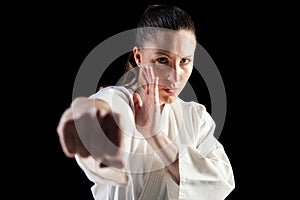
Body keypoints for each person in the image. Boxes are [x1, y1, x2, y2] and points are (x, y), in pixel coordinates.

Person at [57, 4, 235, 200]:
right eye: (162, 60)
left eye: (184, 61)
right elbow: (104, 110)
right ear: (139, 57)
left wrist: (156, 137)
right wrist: (91, 119)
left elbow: (220, 183)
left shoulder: (196, 117)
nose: (175, 76)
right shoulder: (121, 99)